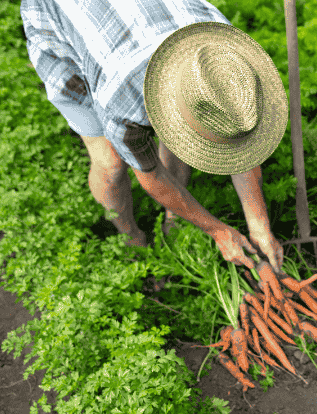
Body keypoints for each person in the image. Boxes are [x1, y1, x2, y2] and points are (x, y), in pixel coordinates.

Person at [21, 0, 286, 273]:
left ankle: (175, 220)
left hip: (151, 27)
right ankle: (131, 239)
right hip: (61, 20)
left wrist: (260, 227)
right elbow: (151, 175)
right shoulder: (122, 100)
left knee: (192, 129)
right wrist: (218, 231)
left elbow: (239, 143)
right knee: (110, 163)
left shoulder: (229, 60)